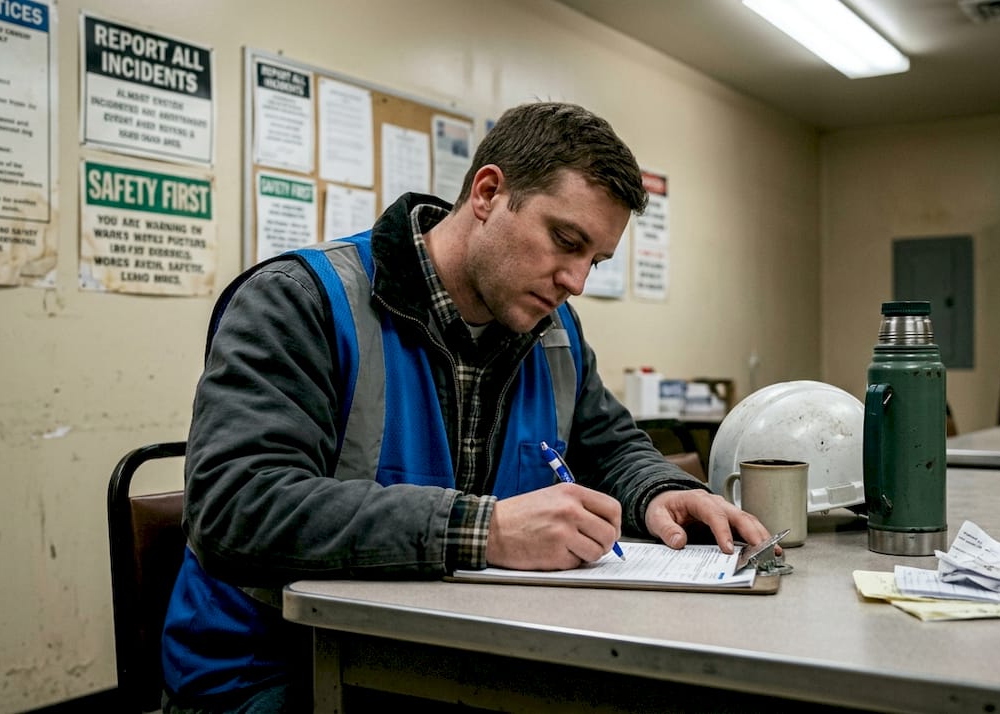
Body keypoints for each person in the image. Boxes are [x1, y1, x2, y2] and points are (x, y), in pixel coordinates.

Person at [159, 101, 772, 712]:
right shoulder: (298, 302)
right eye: (565, 241)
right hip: (278, 667)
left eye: (595, 260)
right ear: (487, 192)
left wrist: (658, 491)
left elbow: (609, 445)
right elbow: (235, 507)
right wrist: (487, 531)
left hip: (451, 657)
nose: (576, 281)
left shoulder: (553, 330)